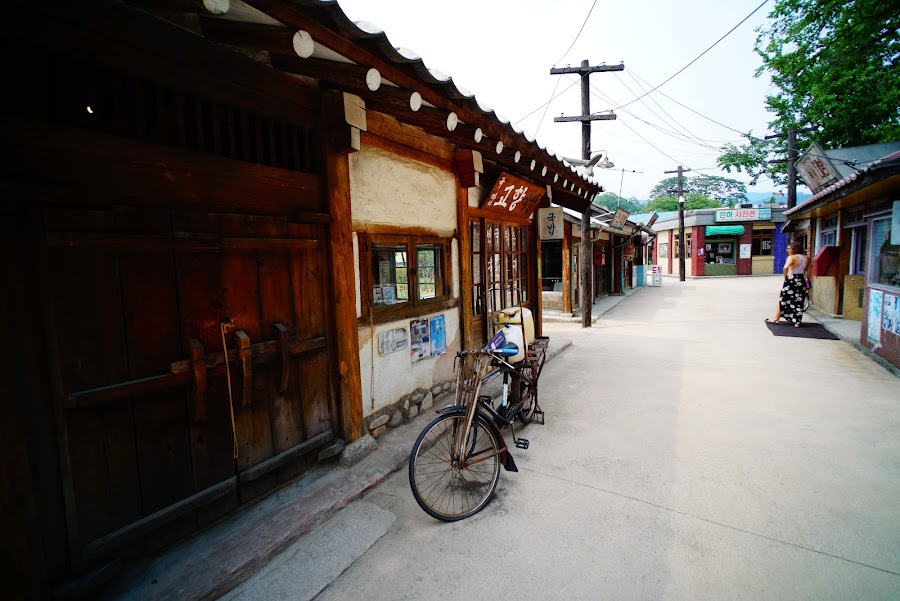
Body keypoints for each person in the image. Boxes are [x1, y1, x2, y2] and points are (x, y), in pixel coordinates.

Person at [767, 241, 808, 328]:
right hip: (801, 279)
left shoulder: (792, 257)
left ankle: (776, 318)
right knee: (799, 301)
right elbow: (806, 269)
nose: (787, 250)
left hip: (791, 279)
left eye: (789, 248)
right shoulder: (805, 257)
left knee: (784, 299)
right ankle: (797, 321)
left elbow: (785, 267)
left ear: (794, 249)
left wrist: (785, 276)